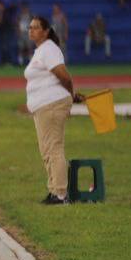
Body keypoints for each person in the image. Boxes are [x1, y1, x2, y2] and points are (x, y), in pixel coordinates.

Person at [25, 15, 84, 205]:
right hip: (44, 105)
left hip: (51, 104)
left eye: (35, 27)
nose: (31, 30)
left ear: (46, 31)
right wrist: (70, 95)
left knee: (54, 148)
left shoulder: (49, 49)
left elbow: (63, 75)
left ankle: (60, 193)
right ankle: (54, 191)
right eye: (30, 27)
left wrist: (70, 93)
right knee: (47, 150)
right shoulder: (41, 51)